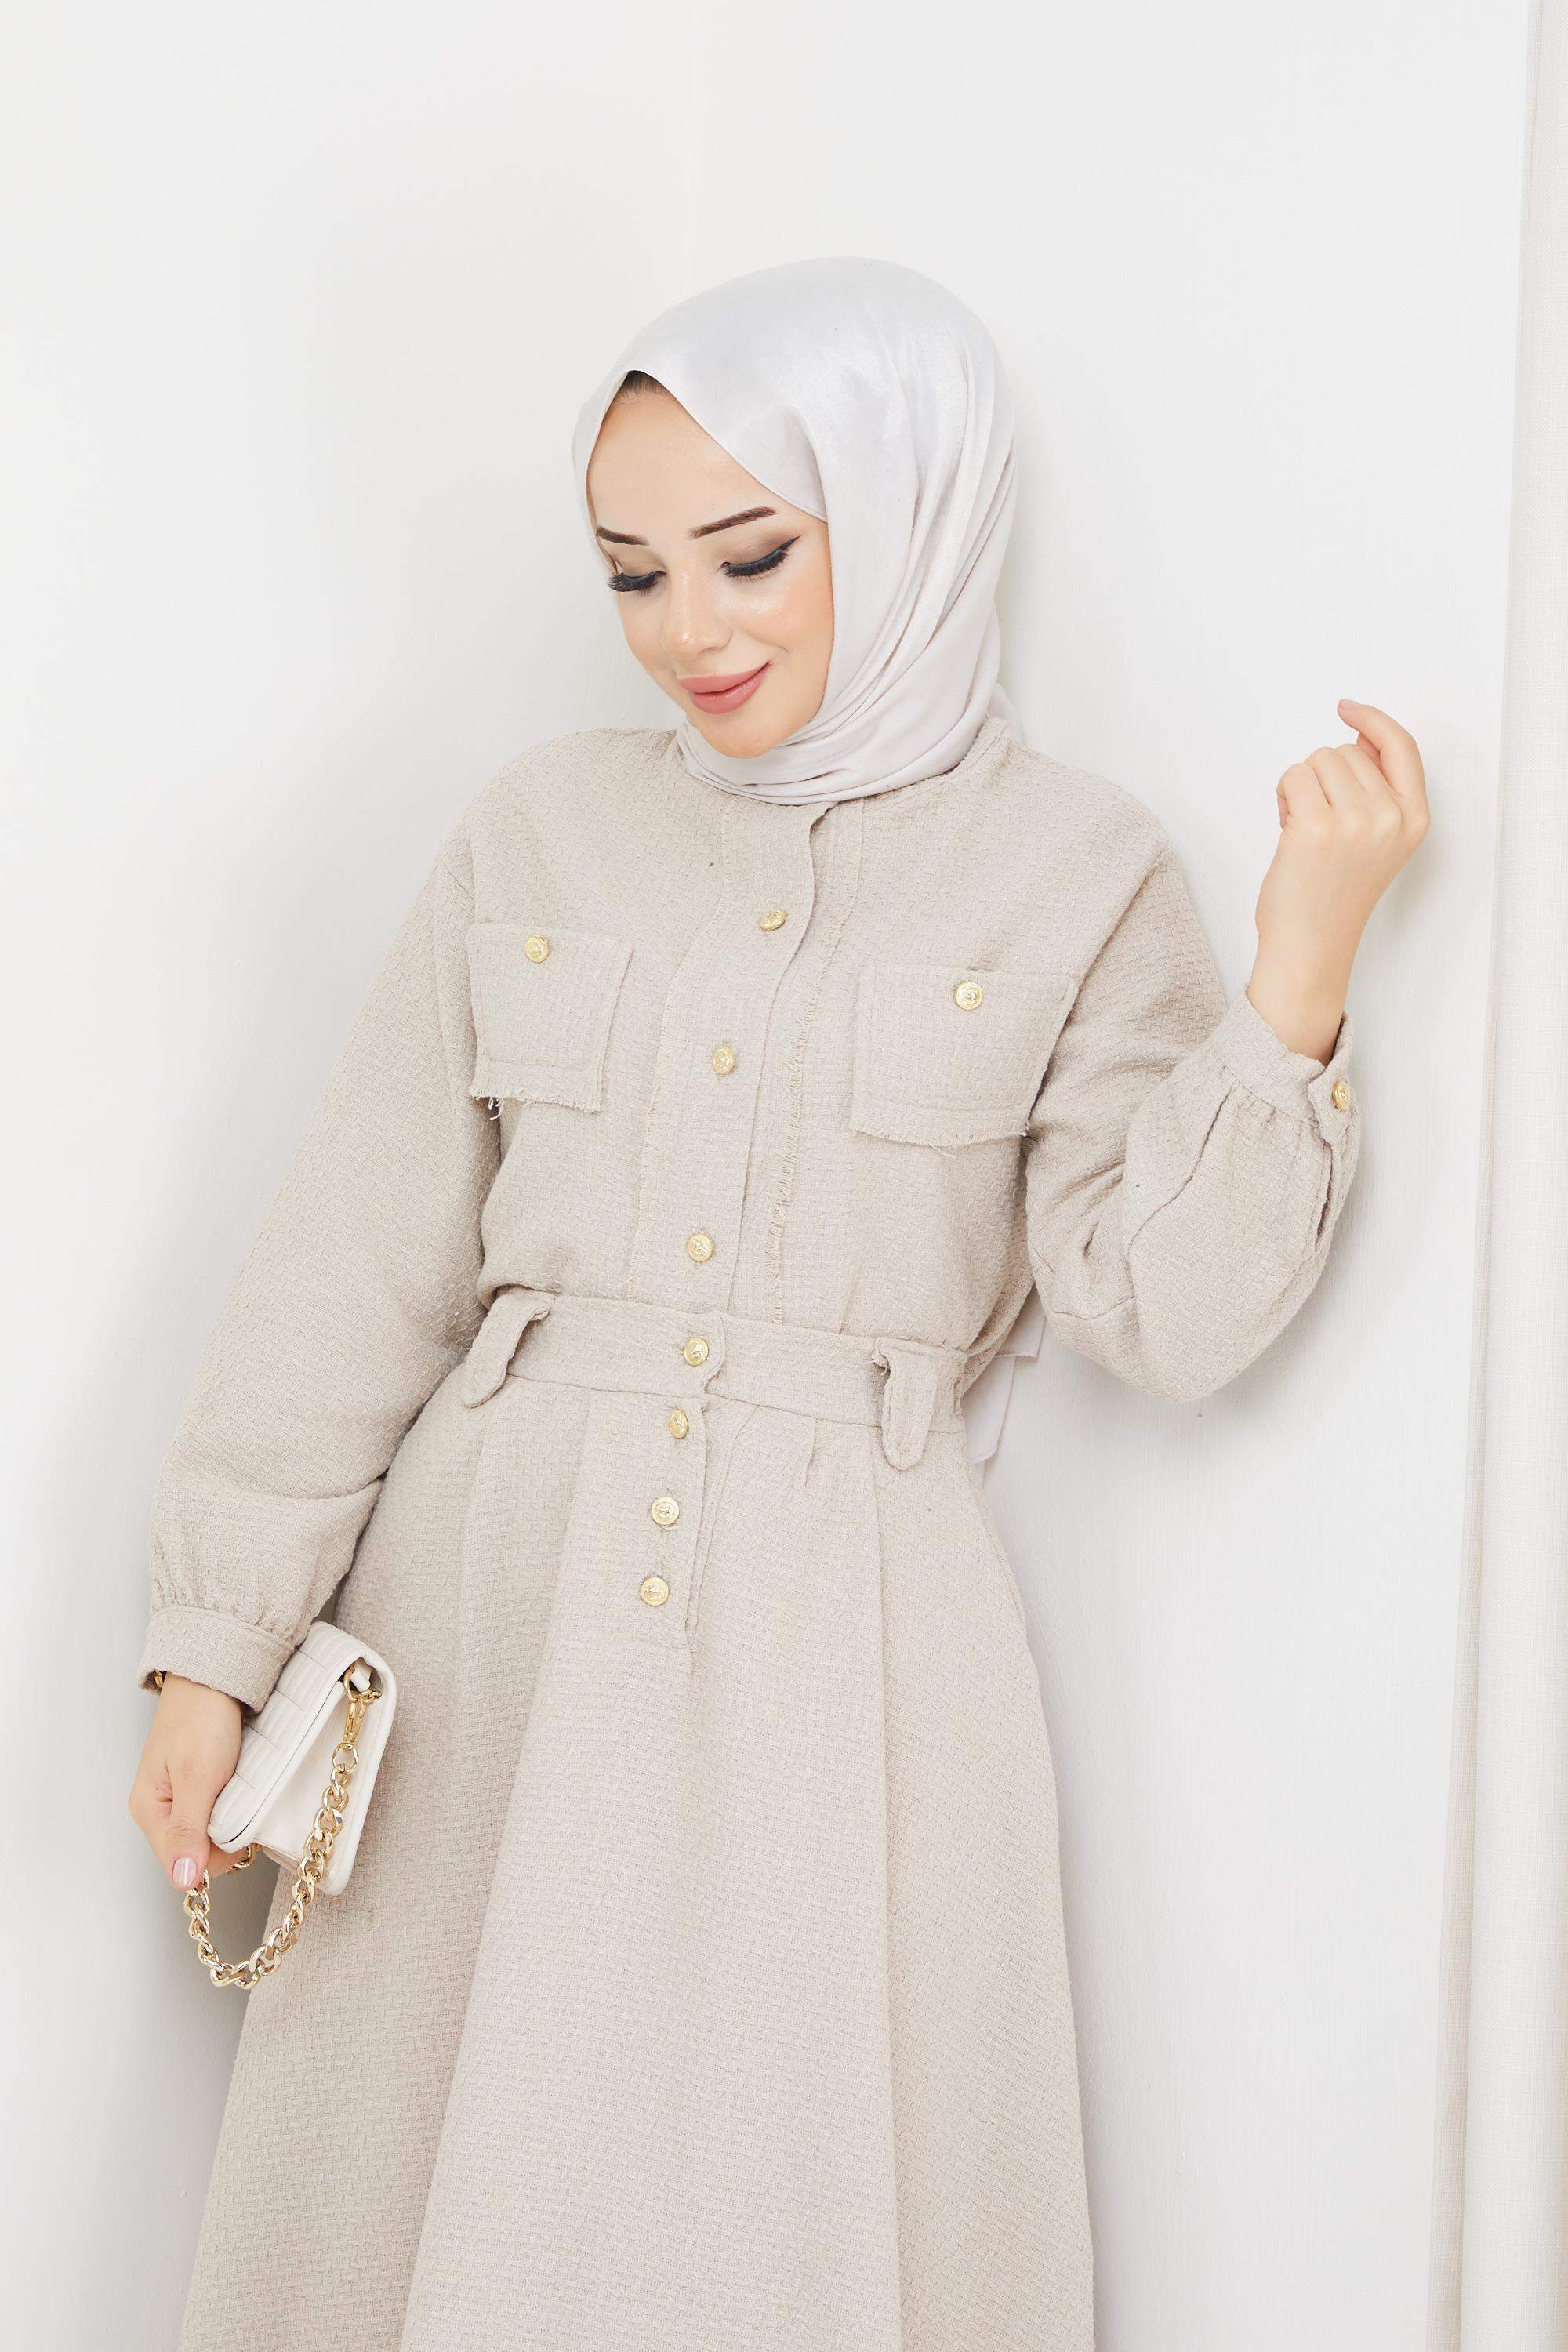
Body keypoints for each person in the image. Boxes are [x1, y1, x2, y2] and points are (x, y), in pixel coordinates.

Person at [128, 255, 1428, 2352]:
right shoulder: (539, 829)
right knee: (416, 2182)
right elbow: (355, 1263)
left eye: (751, 556)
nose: (688, 633)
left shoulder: (1075, 869)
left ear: (910, 517)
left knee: (780, 2193)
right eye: (632, 574)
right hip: (486, 1616)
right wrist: (214, 1648)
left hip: (852, 1652)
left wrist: (1300, 972)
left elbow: (1162, 1315)